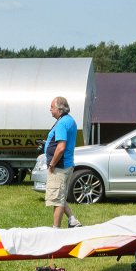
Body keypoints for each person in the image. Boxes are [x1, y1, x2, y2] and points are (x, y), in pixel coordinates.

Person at [43, 96, 81, 229]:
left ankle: (56, 230)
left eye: (52, 107)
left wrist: (52, 164)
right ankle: (73, 220)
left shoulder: (61, 124)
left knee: (57, 200)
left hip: (59, 167)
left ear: (59, 109)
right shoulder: (69, 120)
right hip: (67, 165)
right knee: (61, 196)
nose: (50, 110)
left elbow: (61, 147)